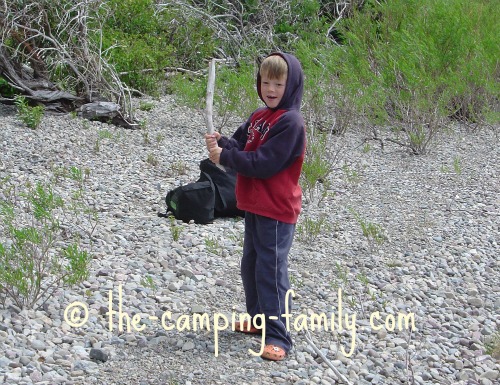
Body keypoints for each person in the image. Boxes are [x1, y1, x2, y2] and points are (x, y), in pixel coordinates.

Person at [205, 52, 305, 361]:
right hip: (254, 205)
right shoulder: (259, 116)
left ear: (291, 85)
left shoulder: (291, 122)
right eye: (265, 82)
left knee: (270, 270)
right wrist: (223, 144)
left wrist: (226, 158)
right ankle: (259, 320)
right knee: (250, 265)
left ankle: (278, 336)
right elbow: (242, 146)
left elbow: (264, 163)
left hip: (276, 209)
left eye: (278, 83)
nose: (271, 89)